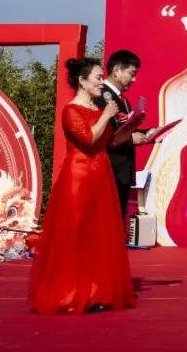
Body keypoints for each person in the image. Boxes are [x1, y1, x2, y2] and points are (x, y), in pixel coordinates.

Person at [28, 57, 135, 314]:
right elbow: (88, 138)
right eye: (98, 78)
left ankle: (97, 292)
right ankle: (70, 293)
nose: (101, 82)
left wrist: (132, 128)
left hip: (102, 176)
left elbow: (109, 142)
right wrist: (107, 115)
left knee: (99, 236)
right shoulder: (71, 110)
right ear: (82, 81)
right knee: (76, 235)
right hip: (79, 176)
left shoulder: (98, 109)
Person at [98, 49, 148, 221]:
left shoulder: (122, 100)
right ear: (117, 70)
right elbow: (104, 133)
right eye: (131, 74)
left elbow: (125, 130)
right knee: (108, 221)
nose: (134, 80)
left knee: (118, 220)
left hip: (122, 171)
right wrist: (130, 140)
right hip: (110, 170)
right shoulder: (101, 96)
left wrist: (151, 133)